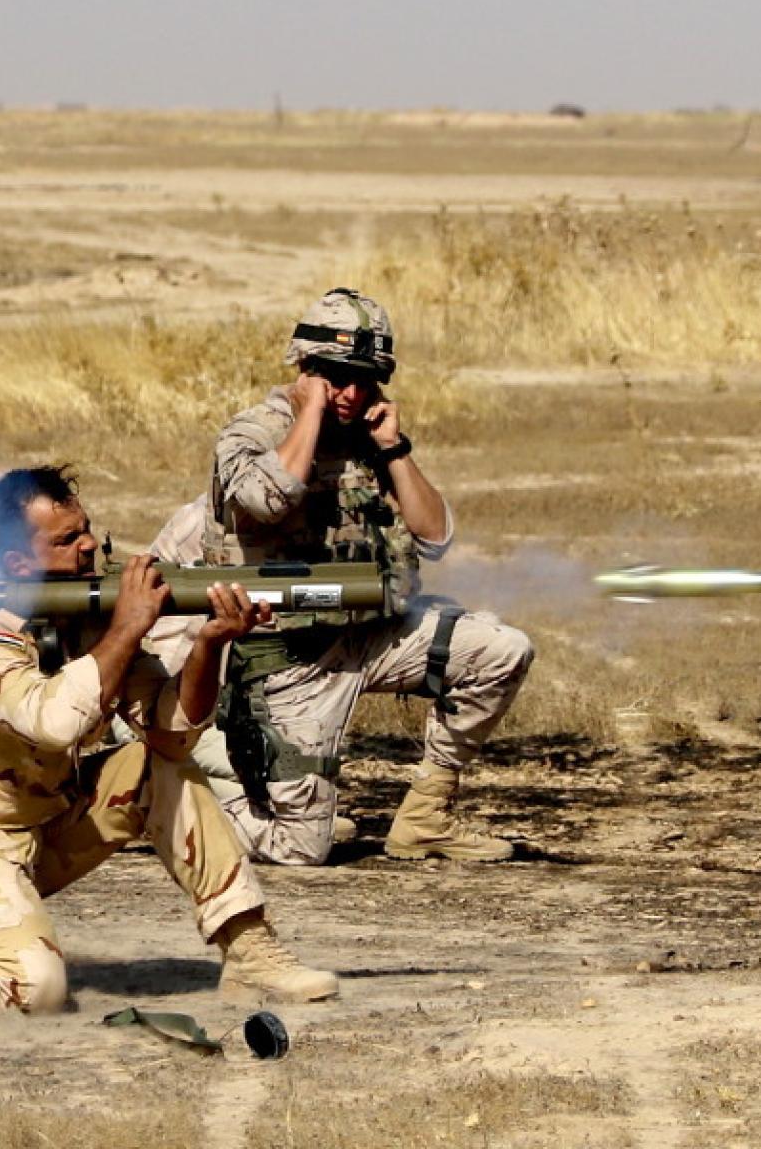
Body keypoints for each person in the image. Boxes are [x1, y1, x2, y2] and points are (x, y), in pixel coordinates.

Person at [0, 465, 338, 1012]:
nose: (89, 545)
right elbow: (56, 721)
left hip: (35, 832)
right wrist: (128, 627)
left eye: (86, 530)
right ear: (17, 562)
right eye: (66, 539)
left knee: (153, 770)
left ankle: (250, 955)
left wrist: (211, 644)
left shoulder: (89, 627)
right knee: (34, 992)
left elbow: (169, 738)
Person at [148, 288, 534, 867]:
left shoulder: (371, 437)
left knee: (501, 651)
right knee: (302, 848)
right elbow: (272, 498)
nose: (353, 393)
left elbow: (436, 536)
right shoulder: (250, 434)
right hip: (287, 660)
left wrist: (394, 449)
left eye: (368, 379)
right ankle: (166, 802)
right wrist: (308, 410)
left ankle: (425, 818)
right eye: (337, 377)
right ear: (304, 367)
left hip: (369, 635)